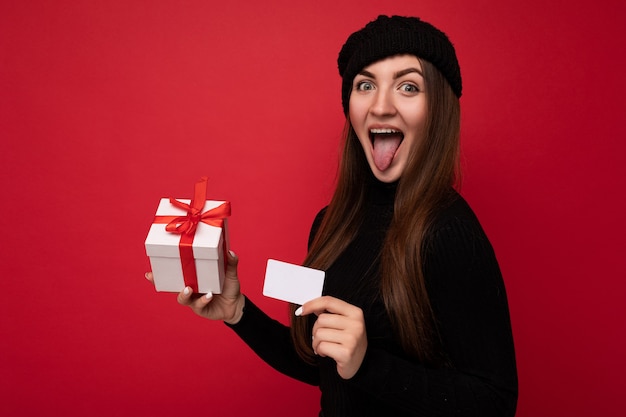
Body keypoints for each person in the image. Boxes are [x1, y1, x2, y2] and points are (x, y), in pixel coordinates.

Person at [146, 15, 518, 416]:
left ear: (438, 110)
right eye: (365, 85)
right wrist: (238, 313)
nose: (381, 105)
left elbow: (495, 402)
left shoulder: (448, 230)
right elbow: (324, 364)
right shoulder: (331, 223)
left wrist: (368, 364)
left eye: (408, 86)